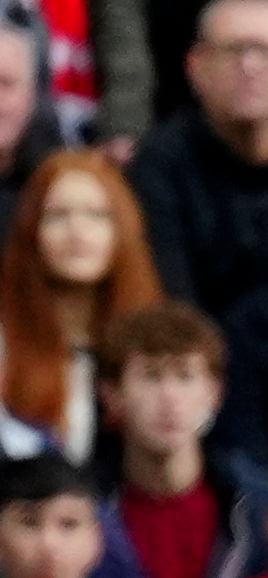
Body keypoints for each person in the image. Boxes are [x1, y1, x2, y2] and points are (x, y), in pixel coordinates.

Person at [129, 0, 268, 319]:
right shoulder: (157, 166)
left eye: (265, 51)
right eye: (233, 51)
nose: (250, 66)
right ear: (195, 68)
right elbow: (172, 304)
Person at [96, 302, 268, 578]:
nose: (169, 398)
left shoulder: (257, 507)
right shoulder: (86, 510)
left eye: (185, 376)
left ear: (214, 394)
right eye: (150, 376)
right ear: (111, 395)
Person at [0, 154, 160, 468]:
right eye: (57, 216)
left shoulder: (154, 342)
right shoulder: (4, 343)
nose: (77, 231)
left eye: (97, 215)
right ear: (31, 231)